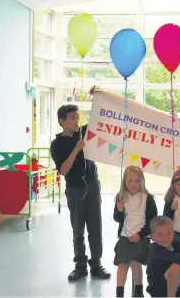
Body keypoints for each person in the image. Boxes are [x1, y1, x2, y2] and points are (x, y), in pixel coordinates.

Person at [50, 101, 110, 281]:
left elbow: (101, 116)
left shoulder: (85, 131)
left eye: (78, 117)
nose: (77, 120)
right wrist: (76, 149)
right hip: (75, 188)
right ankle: (80, 265)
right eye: (72, 118)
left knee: (95, 226)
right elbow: (63, 170)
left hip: (92, 185)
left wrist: (99, 96)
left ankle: (96, 263)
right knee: (78, 227)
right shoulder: (57, 144)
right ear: (62, 121)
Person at [113, 166, 158, 297]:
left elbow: (152, 221)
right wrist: (119, 210)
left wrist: (140, 235)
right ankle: (119, 292)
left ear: (142, 182)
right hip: (124, 236)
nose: (133, 184)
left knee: (134, 262)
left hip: (142, 236)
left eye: (137, 181)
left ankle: (138, 291)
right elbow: (117, 218)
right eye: (130, 181)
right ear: (124, 182)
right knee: (122, 264)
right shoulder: (121, 197)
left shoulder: (147, 198)